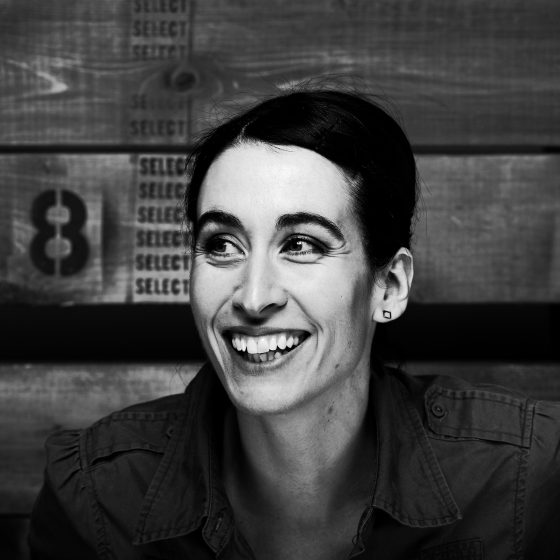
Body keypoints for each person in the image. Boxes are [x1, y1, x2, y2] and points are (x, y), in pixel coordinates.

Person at [29, 89, 560, 559]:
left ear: (389, 286)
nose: (253, 296)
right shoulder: (95, 498)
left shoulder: (526, 476)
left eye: (302, 244)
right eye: (222, 245)